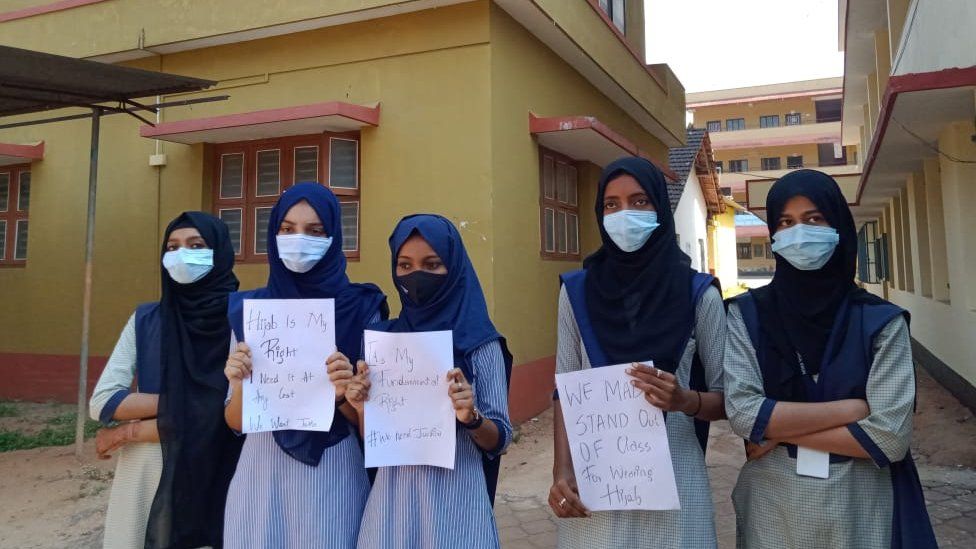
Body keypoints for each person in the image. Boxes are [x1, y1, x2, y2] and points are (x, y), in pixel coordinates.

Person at [723, 169, 937, 548]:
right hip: (773, 507)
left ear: (838, 226)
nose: (799, 233)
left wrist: (775, 430)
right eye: (786, 223)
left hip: (861, 505)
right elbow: (742, 414)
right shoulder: (746, 315)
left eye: (813, 219)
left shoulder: (880, 321)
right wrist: (853, 409)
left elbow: (889, 439)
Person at [548, 157, 727, 548]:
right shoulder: (575, 293)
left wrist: (685, 400)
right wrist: (562, 470)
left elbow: (728, 400)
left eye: (639, 201)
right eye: (611, 204)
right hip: (595, 483)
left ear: (660, 208)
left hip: (677, 484)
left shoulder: (700, 295)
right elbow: (565, 388)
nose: (624, 214)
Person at [222, 182, 387, 548]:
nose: (299, 240)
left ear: (334, 236)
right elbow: (235, 421)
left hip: (332, 469)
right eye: (287, 229)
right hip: (260, 473)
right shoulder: (250, 313)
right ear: (273, 234)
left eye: (314, 231)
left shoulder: (362, 308)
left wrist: (344, 395)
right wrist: (239, 384)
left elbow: (376, 425)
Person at [345, 214, 513, 549]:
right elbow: (372, 438)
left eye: (432, 264)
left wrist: (471, 417)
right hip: (391, 504)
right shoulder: (383, 342)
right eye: (405, 265)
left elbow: (501, 439)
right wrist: (361, 407)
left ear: (454, 268)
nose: (416, 275)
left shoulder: (480, 343)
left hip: (457, 504)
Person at [90, 212, 242, 548]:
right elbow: (103, 402)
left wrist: (130, 430)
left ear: (219, 252)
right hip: (151, 469)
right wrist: (196, 403)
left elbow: (236, 416)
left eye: (196, 245)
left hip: (221, 469)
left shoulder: (243, 318)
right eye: (172, 248)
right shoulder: (147, 319)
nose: (181, 255)